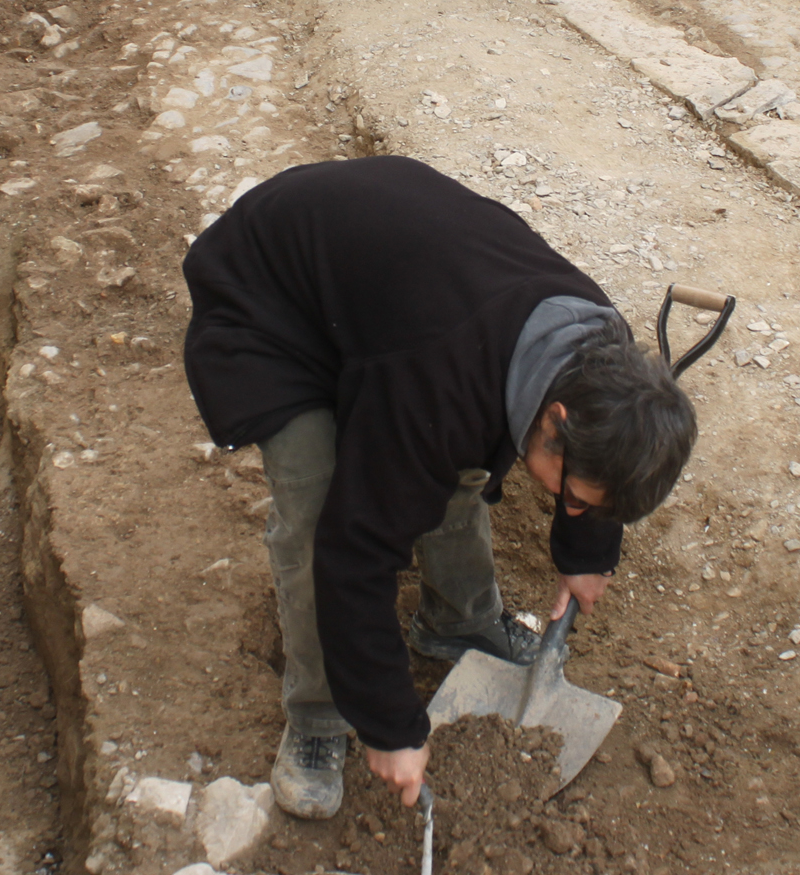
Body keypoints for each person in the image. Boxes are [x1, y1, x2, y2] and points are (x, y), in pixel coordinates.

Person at [181, 157, 699, 819]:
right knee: (321, 511)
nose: (568, 505)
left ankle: (457, 622)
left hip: (382, 299)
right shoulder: (439, 375)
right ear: (557, 419)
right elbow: (355, 550)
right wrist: (389, 722)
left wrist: (586, 550)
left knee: (449, 459)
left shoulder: (602, 357)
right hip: (269, 306)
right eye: (571, 497)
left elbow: (604, 462)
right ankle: (319, 716)